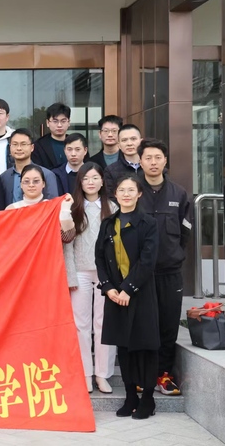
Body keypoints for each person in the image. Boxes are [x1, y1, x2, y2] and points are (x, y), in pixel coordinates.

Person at [96, 174, 160, 420]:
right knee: (123, 346)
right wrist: (108, 287)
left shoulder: (148, 223)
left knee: (146, 346)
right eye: (122, 190)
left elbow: (148, 260)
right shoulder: (108, 223)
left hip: (140, 293)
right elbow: (100, 258)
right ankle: (131, 396)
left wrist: (128, 289)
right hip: (115, 295)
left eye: (131, 190)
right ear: (115, 194)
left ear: (139, 194)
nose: (126, 194)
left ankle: (148, 399)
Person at [137, 138, 191, 396]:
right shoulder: (132, 190)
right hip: (140, 273)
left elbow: (185, 232)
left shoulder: (178, 194)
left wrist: (175, 254)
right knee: (142, 325)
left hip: (170, 272)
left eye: (158, 157)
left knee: (168, 325)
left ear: (165, 160)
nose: (153, 162)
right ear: (140, 161)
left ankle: (164, 375)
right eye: (148, 158)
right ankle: (143, 375)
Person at [63, 162, 118, 394]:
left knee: (104, 324)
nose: (91, 182)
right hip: (80, 272)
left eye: (95, 178)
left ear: (102, 181)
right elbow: (67, 243)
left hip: (106, 274)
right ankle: (85, 372)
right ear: (80, 182)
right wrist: (70, 276)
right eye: (86, 179)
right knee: (81, 325)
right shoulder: (72, 207)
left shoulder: (113, 207)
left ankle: (102, 374)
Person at [1, 128, 60, 208]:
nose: (19, 148)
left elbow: (53, 205)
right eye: (15, 144)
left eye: (23, 144)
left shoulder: (47, 174)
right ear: (10, 147)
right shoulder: (4, 176)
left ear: (32, 147)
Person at [103, 124, 143, 197]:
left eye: (133, 139)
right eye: (124, 140)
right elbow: (110, 197)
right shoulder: (110, 170)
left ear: (141, 141)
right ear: (119, 145)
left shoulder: (150, 166)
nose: (129, 143)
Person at [32, 103, 71, 169]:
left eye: (63, 121)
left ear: (69, 122)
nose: (59, 125)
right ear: (47, 123)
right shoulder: (39, 146)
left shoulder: (77, 143)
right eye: (55, 121)